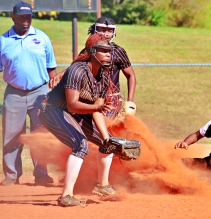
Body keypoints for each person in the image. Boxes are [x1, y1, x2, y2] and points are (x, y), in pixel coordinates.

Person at [38, 33, 132, 207]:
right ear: (92, 52)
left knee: (107, 143)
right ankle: (66, 196)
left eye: (109, 51)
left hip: (74, 113)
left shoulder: (103, 77)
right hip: (52, 110)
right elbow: (73, 105)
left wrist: (106, 139)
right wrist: (96, 108)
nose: (108, 54)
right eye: (103, 51)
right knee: (80, 144)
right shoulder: (78, 70)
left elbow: (97, 112)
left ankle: (102, 185)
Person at [0, 1, 57, 186]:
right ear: (13, 17)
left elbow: (51, 68)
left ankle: (41, 174)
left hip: (40, 92)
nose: (26, 21)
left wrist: (53, 94)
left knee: (40, 134)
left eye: (29, 17)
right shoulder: (3, 40)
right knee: (11, 135)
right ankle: (11, 176)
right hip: (13, 93)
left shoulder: (42, 38)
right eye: (22, 17)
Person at [49, 17, 137, 119]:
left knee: (104, 126)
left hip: (111, 99)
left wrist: (130, 102)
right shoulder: (89, 50)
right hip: (91, 97)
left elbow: (130, 75)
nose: (106, 34)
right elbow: (78, 65)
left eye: (110, 30)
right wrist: (61, 74)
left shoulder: (118, 51)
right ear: (95, 30)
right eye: (102, 30)